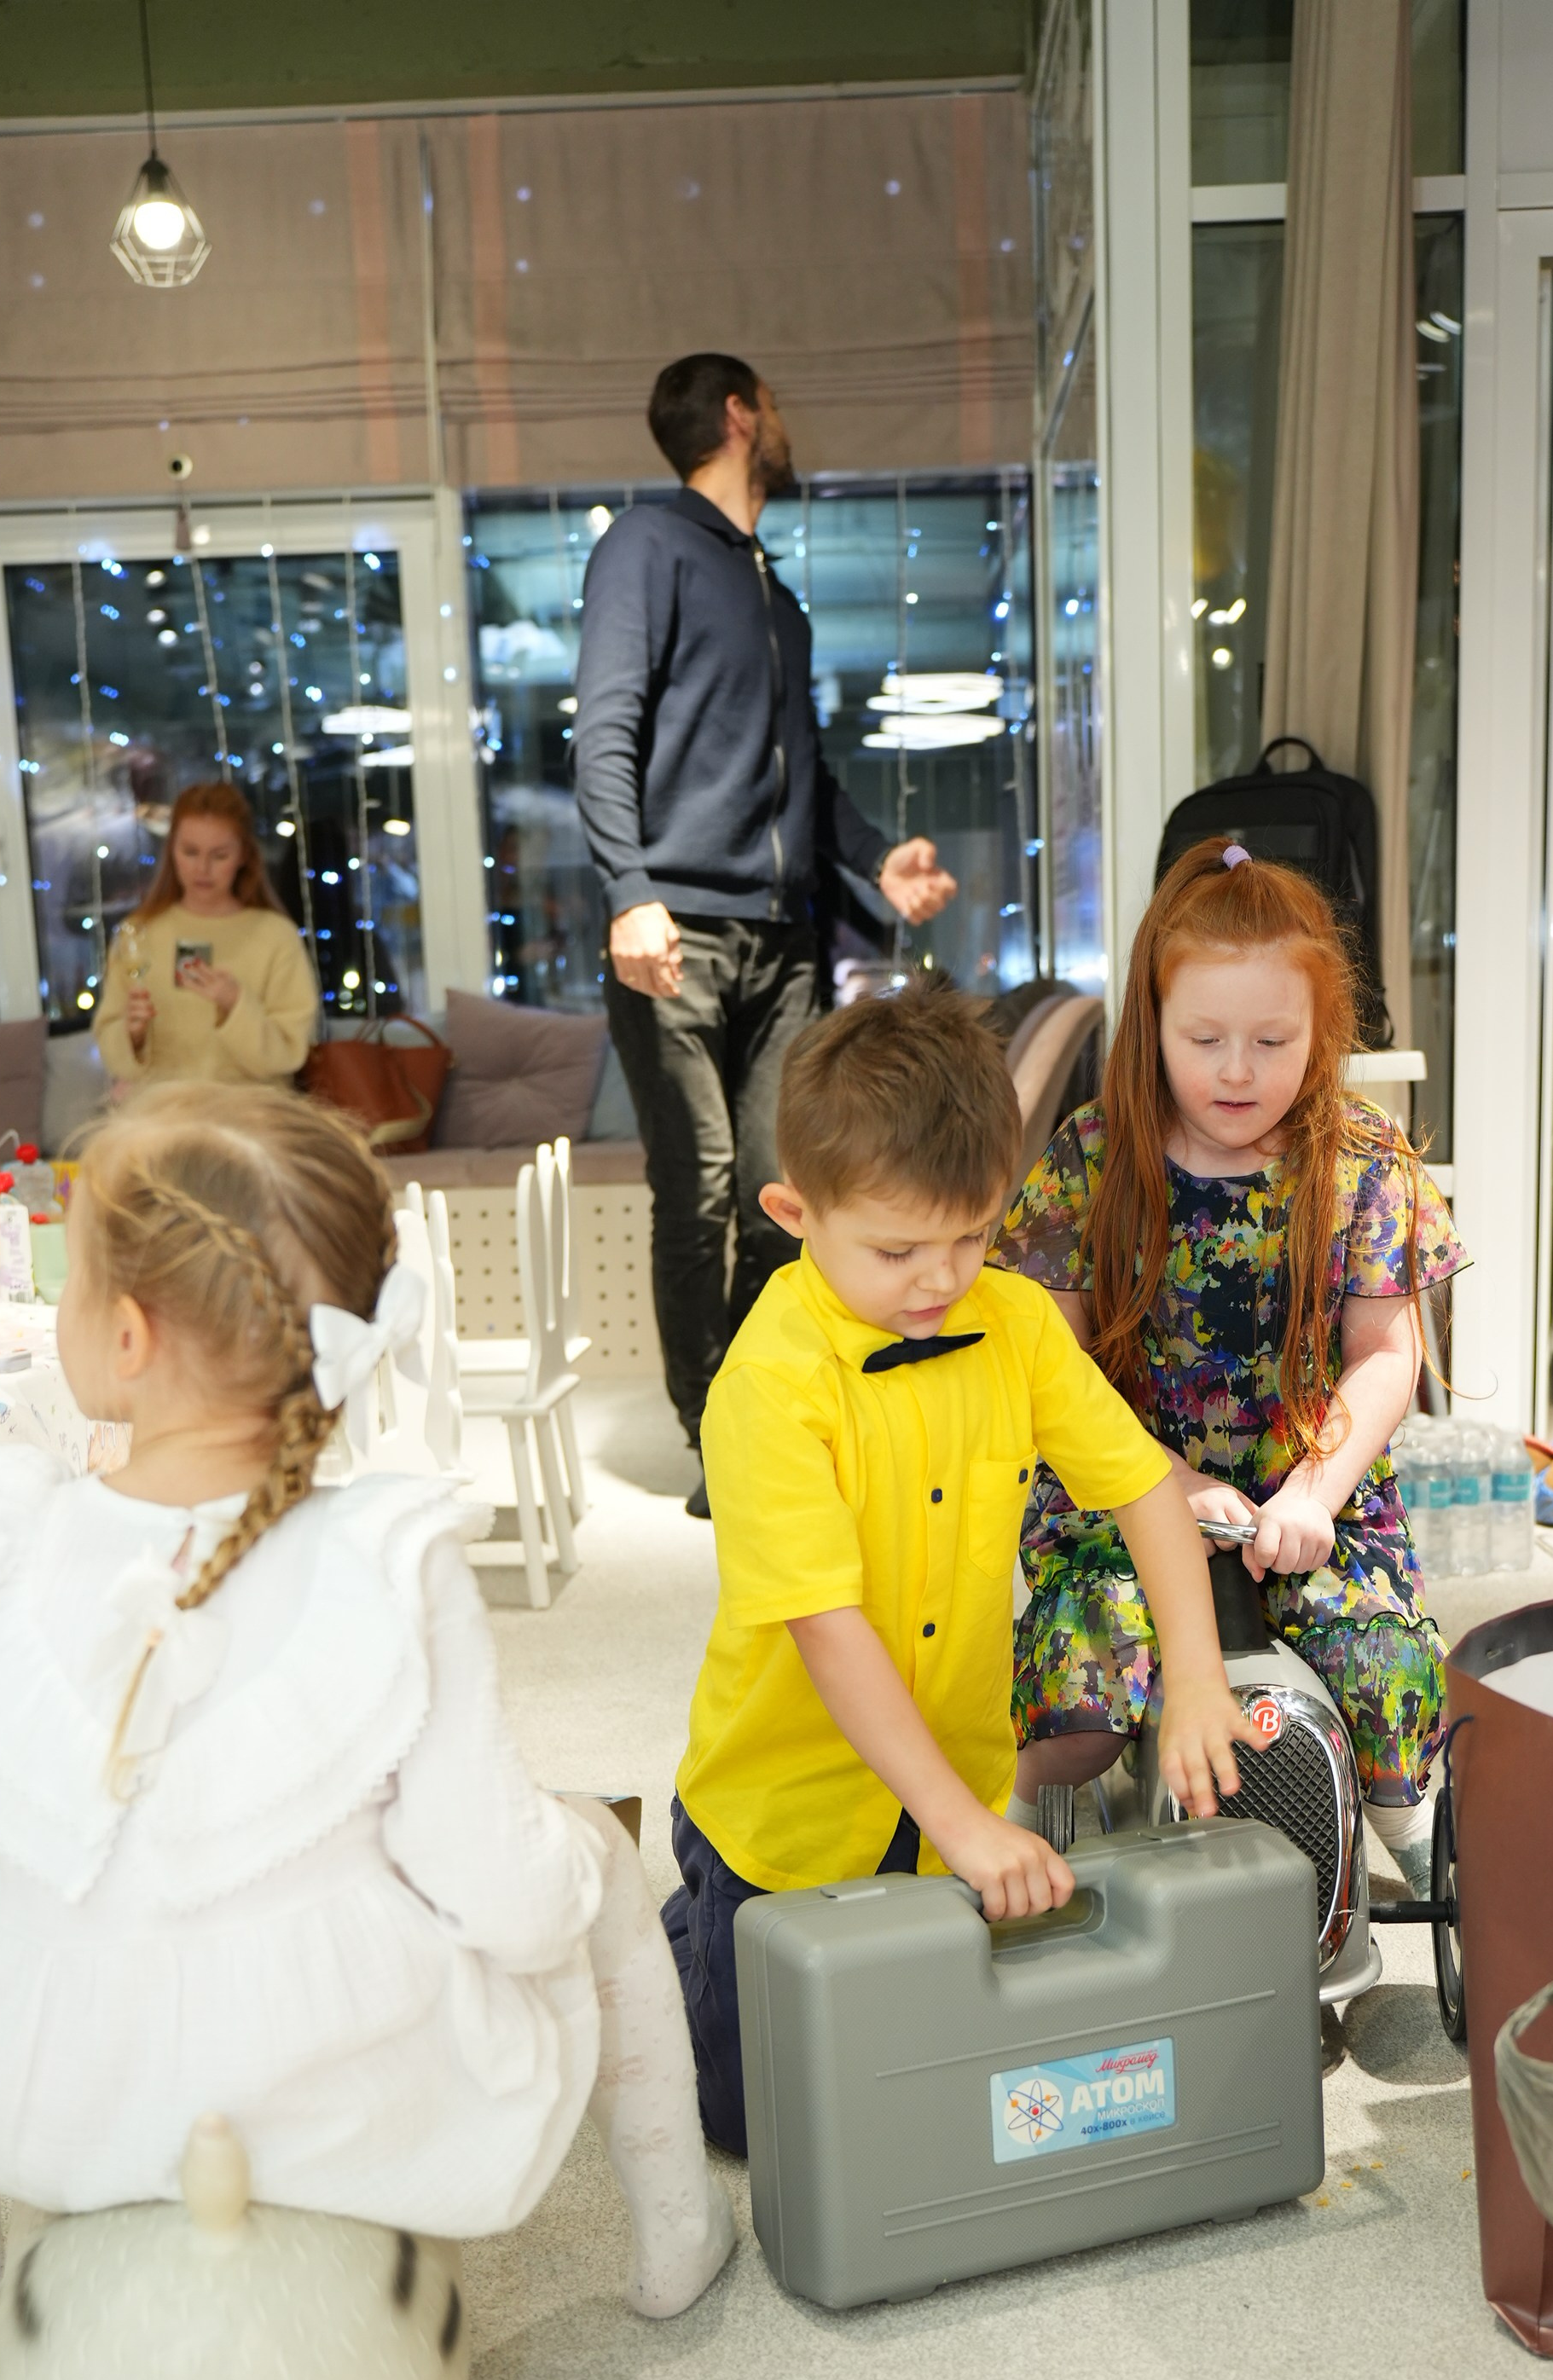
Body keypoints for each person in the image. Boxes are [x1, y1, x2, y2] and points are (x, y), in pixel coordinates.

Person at [0, 1084, 732, 2323]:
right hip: (326, 2090)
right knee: (595, 1868)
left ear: (131, 1338)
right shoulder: (394, 1557)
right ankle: (676, 2241)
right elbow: (492, 1884)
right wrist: (567, 1876)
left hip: (67, 2093)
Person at [664, 987, 1255, 2156]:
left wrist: (1195, 1676)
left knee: (920, 2083)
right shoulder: (768, 1386)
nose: (941, 1279)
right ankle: (667, 1946)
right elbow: (827, 1625)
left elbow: (1146, 1488)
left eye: (972, 1237)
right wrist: (973, 1830)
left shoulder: (1020, 1324)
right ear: (794, 1212)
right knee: (748, 2124)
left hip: (952, 1797)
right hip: (784, 1809)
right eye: (896, 1249)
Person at [991, 839, 1466, 1899]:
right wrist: (1163, 1482)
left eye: (1271, 1039)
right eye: (1203, 1038)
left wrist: (1313, 1491)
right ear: (1150, 1026)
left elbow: (1386, 1357)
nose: (1237, 1070)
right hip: (1118, 1487)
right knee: (1080, 1696)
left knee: (1386, 1683)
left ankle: (1434, 1864)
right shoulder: (1091, 1154)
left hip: (1312, 1489)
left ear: (1321, 1029)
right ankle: (996, 1847)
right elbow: (1046, 1363)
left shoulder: (1360, 1159)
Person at [574, 351, 959, 1514]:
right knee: (692, 1186)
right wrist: (629, 886)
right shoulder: (645, 548)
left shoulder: (774, 599)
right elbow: (606, 728)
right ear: (740, 414)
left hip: (781, 940)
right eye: (775, 407)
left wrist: (875, 856)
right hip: (673, 932)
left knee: (777, 1191)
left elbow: (811, 781)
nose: (785, 425)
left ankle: (751, 1410)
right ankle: (716, 1440)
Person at [96, 781, 322, 1096]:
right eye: (190, 852)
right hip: (161, 1118)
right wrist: (131, 1035)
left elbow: (290, 1052)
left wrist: (235, 1004)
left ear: (243, 855)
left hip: (251, 1120)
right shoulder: (139, 932)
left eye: (219, 855)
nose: (202, 868)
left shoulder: (275, 936)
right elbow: (110, 1041)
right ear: (172, 849)